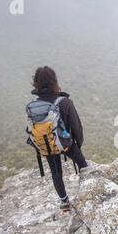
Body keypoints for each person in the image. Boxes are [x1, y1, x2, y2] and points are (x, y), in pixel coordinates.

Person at [31, 66, 89, 211]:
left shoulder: (35, 105)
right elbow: (77, 128)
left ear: (36, 83)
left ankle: (64, 202)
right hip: (65, 143)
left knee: (56, 172)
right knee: (83, 164)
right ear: (54, 81)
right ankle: (90, 192)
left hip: (47, 145)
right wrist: (78, 146)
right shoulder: (65, 102)